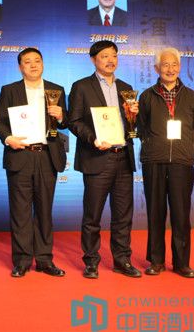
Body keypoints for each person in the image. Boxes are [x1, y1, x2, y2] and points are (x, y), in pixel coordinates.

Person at [67, 40, 141, 279]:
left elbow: (131, 126)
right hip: (97, 156)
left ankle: (122, 260)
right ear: (93, 60)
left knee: (123, 215)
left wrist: (134, 117)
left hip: (123, 157)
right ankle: (91, 261)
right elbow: (74, 121)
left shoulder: (126, 88)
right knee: (93, 216)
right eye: (105, 56)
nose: (111, 60)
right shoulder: (81, 86)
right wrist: (93, 138)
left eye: (114, 56)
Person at [0, 48, 68, 278]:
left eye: (37, 60)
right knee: (21, 211)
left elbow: (65, 123)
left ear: (43, 64)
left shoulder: (56, 89)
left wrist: (61, 116)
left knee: (45, 211)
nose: (33, 65)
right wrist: (8, 138)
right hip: (20, 154)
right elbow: (0, 122)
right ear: (20, 67)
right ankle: (22, 260)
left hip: (47, 155)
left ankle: (45, 259)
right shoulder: (9, 90)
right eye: (28, 62)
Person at [137, 47, 194, 278]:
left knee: (181, 214)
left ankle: (182, 263)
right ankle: (156, 261)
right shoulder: (146, 96)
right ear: (157, 68)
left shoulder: (191, 96)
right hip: (154, 161)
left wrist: (188, 147)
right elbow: (140, 126)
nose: (170, 69)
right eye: (165, 64)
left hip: (181, 162)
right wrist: (152, 146)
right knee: (155, 213)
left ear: (180, 67)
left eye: (174, 64)